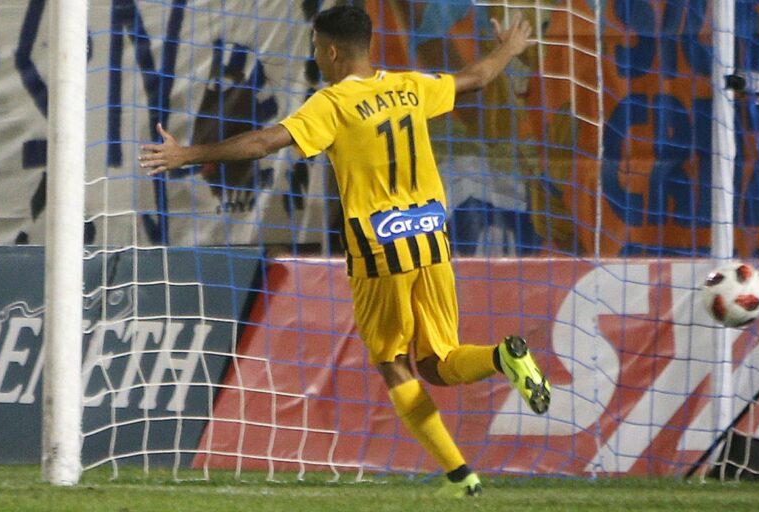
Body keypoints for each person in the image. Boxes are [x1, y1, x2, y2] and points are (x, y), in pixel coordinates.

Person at [139, 5, 547, 497]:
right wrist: (509, 48)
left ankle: (461, 477)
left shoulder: (332, 104)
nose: (316, 56)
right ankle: (504, 356)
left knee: (394, 363)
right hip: (432, 239)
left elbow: (263, 142)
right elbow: (476, 79)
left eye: (316, 47)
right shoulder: (410, 86)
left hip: (381, 246)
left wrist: (187, 155)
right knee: (438, 364)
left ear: (332, 51)